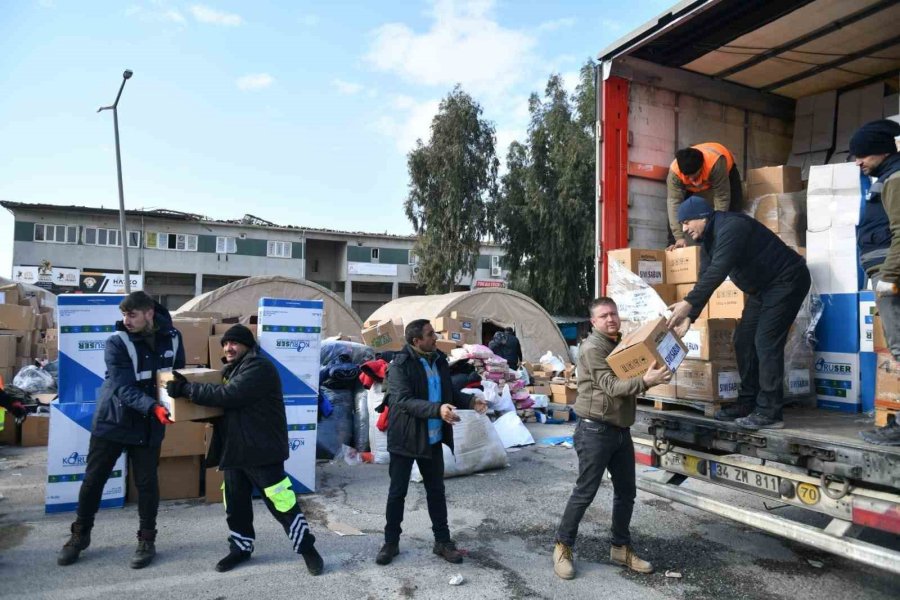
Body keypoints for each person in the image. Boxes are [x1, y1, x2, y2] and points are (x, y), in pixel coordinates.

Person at [165, 324, 324, 575]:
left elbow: (230, 396)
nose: (228, 347)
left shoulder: (259, 368)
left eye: (234, 343)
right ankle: (240, 548)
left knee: (281, 502)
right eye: (225, 343)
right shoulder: (230, 371)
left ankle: (308, 549)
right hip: (234, 449)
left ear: (248, 346)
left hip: (260, 450)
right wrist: (187, 409)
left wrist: (186, 390)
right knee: (235, 505)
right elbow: (221, 410)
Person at [58, 291, 184, 569]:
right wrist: (154, 407)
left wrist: (181, 398)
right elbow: (123, 387)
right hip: (113, 420)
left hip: (150, 424)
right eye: (124, 314)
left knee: (147, 484)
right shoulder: (116, 342)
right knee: (94, 480)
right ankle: (79, 536)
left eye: (132, 314)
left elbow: (177, 375)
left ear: (149, 313)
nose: (126, 320)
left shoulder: (173, 338)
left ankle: (147, 540)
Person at [666, 196, 810, 431]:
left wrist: (688, 303)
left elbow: (718, 271)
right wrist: (691, 316)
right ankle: (747, 402)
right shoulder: (709, 241)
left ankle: (770, 412)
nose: (684, 229)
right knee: (743, 340)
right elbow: (705, 276)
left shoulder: (732, 227)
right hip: (762, 289)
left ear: (702, 216)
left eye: (686, 222)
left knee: (765, 342)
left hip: (787, 280)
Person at [552, 297, 670, 580]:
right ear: (593, 322)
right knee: (585, 492)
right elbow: (612, 386)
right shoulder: (593, 347)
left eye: (613, 314)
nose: (610, 319)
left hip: (620, 430)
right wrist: (647, 381)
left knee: (626, 492)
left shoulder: (621, 344)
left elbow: (631, 375)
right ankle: (562, 547)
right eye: (604, 316)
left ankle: (620, 547)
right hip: (595, 431)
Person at [375, 319, 488, 566]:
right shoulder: (400, 366)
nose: (435, 338)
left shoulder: (438, 360)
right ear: (417, 341)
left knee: (436, 491)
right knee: (397, 493)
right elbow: (403, 401)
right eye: (430, 335)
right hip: (405, 438)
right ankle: (390, 542)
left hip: (432, 438)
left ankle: (443, 542)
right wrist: (437, 410)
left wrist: (471, 402)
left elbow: (448, 392)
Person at [852, 119, 900, 446]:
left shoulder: (894, 180)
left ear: (880, 152)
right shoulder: (885, 178)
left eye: (862, 155)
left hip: (890, 277)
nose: (858, 161)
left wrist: (889, 277)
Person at [667, 143, 742, 249]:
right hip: (691, 184)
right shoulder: (674, 173)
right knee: (678, 211)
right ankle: (674, 244)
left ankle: (732, 244)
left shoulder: (716, 164)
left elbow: (722, 197)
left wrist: (716, 229)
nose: (693, 180)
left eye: (696, 176)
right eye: (689, 177)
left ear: (701, 167)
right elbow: (674, 203)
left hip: (726, 172)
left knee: (734, 210)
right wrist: (678, 237)